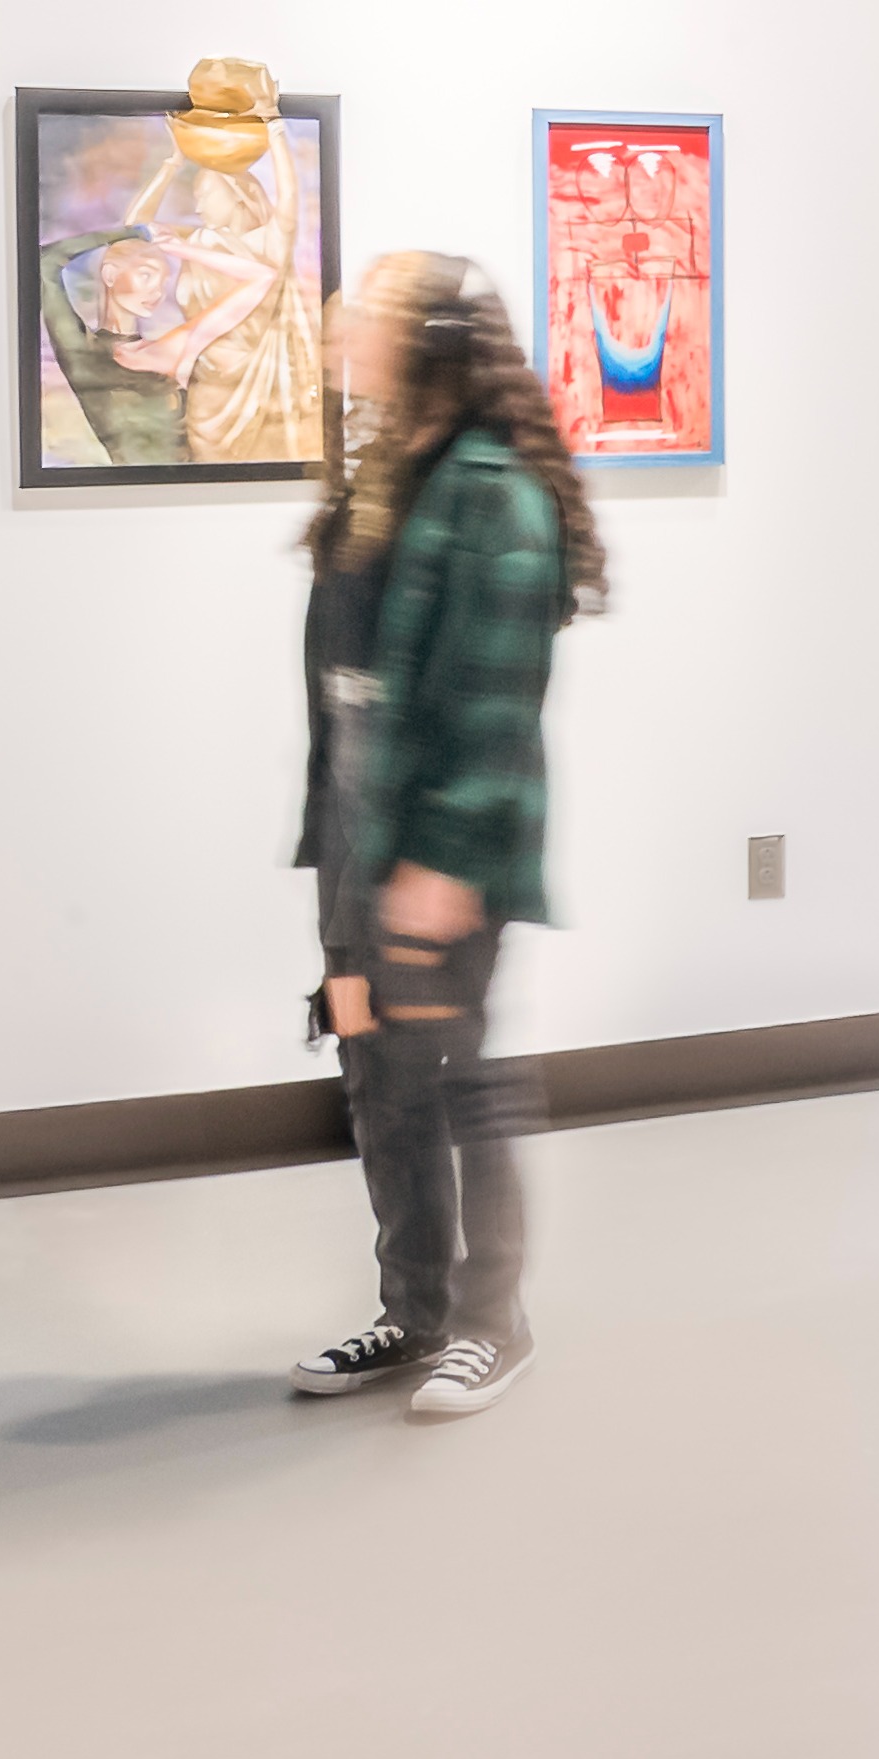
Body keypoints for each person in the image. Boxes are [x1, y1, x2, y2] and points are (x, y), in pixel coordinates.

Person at [287, 252, 602, 1421]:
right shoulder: (385, 473)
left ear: (419, 341)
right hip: (357, 838)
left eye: (355, 320)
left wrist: (443, 861)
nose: (333, 338)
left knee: (459, 1075)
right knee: (376, 1075)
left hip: (440, 850)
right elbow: (344, 684)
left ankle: (491, 1322)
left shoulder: (491, 491)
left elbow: (493, 702)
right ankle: (412, 1309)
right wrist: (335, 844)